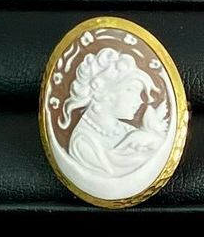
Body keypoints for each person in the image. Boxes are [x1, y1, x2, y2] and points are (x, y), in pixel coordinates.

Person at [59, 47, 167, 176]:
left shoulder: (129, 131)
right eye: (131, 90)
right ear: (106, 92)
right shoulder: (83, 143)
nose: (140, 101)